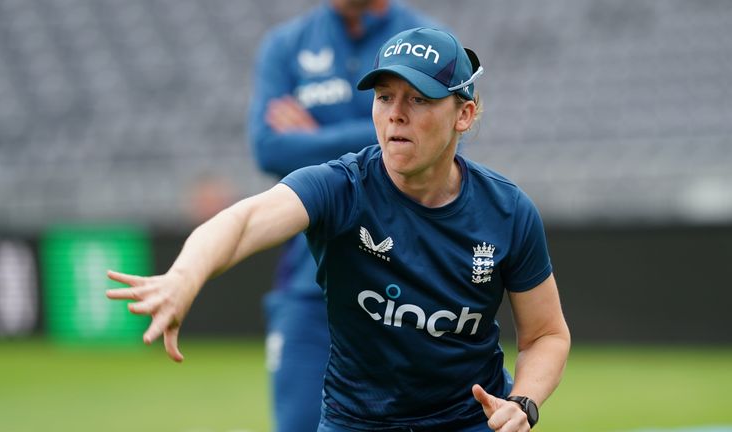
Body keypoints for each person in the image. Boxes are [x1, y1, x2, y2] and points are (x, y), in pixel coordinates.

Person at [107, 27, 571, 431]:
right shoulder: (339, 186)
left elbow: (545, 335)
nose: (396, 114)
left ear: (463, 115)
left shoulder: (507, 210)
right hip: (358, 422)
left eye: (419, 99)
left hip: (470, 420)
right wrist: (187, 275)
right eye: (385, 97)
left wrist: (522, 403)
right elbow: (244, 219)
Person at [247, 1, 442, 430]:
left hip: (405, 289)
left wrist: (312, 139)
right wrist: (385, 138)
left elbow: (440, 141)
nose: (391, 116)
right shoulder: (286, 45)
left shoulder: (425, 42)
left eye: (397, 101)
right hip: (309, 286)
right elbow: (267, 147)